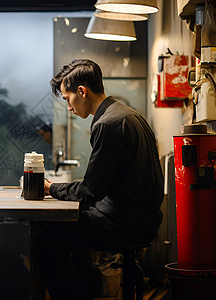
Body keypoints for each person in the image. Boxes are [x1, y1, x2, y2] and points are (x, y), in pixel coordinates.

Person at [38, 59, 164, 299]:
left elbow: (90, 191)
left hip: (127, 224)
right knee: (73, 229)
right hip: (144, 219)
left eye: (68, 99)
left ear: (82, 92)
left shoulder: (107, 124)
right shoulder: (129, 115)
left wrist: (51, 188)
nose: (70, 108)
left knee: (48, 238)